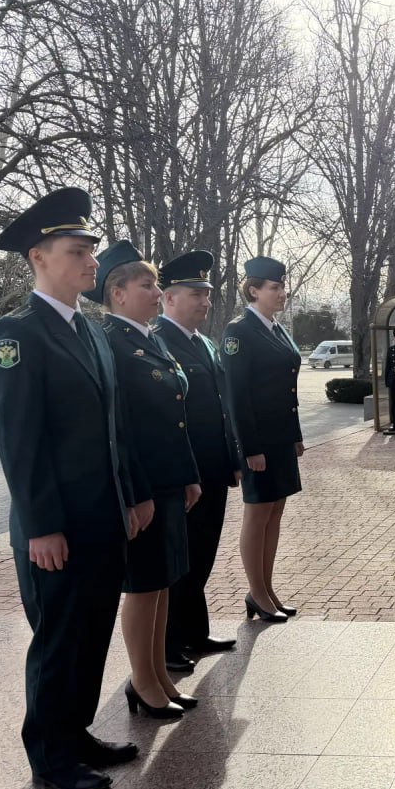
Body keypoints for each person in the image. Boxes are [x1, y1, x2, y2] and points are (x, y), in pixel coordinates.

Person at [0, 187, 146, 789]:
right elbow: (20, 443)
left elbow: (114, 428)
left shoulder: (91, 332)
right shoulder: (18, 335)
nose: (90, 262)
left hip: (102, 516)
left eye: (91, 251)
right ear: (38, 258)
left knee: (91, 631)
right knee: (58, 640)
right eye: (77, 251)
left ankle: (75, 734)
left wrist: (131, 496)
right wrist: (42, 526)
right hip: (58, 525)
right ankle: (51, 756)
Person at [91, 241, 202, 720]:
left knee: (162, 582)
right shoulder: (110, 342)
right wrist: (137, 495)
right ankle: (142, 681)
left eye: (156, 285)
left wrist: (188, 475)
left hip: (168, 480)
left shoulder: (150, 338)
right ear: (117, 293)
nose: (158, 293)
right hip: (144, 485)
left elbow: (176, 415)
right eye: (147, 285)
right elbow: (121, 428)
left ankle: (157, 675)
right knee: (142, 585)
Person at [155, 250, 241, 673]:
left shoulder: (204, 343)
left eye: (207, 294)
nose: (206, 301)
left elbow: (221, 405)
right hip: (183, 471)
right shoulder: (157, 341)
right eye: (196, 294)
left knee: (202, 554)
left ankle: (194, 630)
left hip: (213, 469)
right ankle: (168, 643)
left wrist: (232, 458)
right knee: (179, 559)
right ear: (169, 297)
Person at [222, 255, 302, 623]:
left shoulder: (276, 328)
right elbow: (236, 396)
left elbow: (288, 389)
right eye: (275, 287)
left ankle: (267, 590)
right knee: (257, 514)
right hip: (258, 443)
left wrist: (295, 436)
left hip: (280, 439)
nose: (282, 293)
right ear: (253, 291)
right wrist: (249, 449)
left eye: (282, 287)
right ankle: (256, 592)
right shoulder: (239, 331)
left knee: (275, 512)